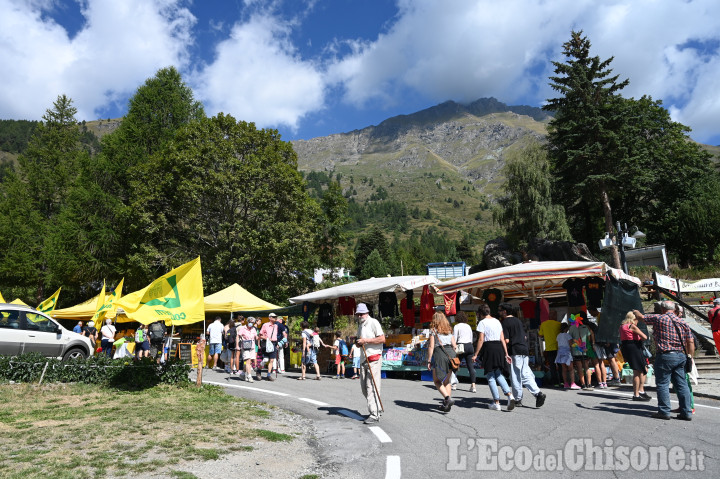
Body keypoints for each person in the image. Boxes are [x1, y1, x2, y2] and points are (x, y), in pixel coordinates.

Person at [633, 301, 694, 420]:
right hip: (680, 356)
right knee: (682, 385)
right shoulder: (682, 322)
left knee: (663, 384)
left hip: (665, 355)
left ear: (662, 309)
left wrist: (635, 311)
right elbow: (690, 341)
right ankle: (686, 412)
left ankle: (664, 411)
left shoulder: (659, 318)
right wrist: (690, 357)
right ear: (674, 309)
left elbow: (641, 317)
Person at [498, 303, 546, 408]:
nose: (499, 312)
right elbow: (524, 337)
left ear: (505, 311)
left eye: (500, 310)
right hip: (524, 349)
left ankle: (518, 399)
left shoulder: (505, 323)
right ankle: (538, 393)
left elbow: (506, 340)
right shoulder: (518, 321)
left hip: (514, 350)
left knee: (515, 375)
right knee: (525, 373)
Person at [472, 304, 515, 411]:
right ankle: (509, 395)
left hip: (489, 348)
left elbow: (481, 339)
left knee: (490, 375)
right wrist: (506, 353)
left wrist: (476, 353)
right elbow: (502, 338)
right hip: (499, 348)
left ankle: (496, 402)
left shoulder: (482, 323)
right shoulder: (497, 321)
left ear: (481, 313)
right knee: (498, 373)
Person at [355, 303, 385, 424]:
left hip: (374, 357)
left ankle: (374, 413)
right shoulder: (360, 325)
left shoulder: (373, 322)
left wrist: (366, 341)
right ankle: (376, 408)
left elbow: (382, 339)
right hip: (364, 359)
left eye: (361, 314)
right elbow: (359, 340)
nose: (359, 316)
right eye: (358, 314)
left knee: (371, 386)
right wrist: (358, 343)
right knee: (364, 388)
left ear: (366, 313)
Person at [427, 311, 458, 412]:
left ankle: (447, 399)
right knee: (446, 381)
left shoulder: (433, 330)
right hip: (451, 355)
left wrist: (428, 360)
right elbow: (455, 345)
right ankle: (446, 405)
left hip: (440, 354)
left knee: (437, 381)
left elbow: (431, 346)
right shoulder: (449, 330)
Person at [619, 312, 651, 401]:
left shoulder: (622, 326)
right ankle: (636, 394)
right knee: (638, 371)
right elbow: (644, 337)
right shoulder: (631, 326)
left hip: (627, 347)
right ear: (633, 319)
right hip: (634, 347)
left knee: (643, 368)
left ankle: (641, 390)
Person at [453, 311, 477, 393]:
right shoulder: (468, 326)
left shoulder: (456, 326)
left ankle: (454, 384)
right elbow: (471, 338)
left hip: (461, 346)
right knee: (470, 366)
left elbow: (455, 338)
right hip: (469, 346)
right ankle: (473, 385)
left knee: (455, 364)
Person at [568, 312, 593, 390]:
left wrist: (571, 346)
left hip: (576, 349)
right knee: (586, 367)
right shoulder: (585, 327)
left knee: (579, 367)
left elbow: (570, 339)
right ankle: (589, 384)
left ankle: (583, 384)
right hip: (585, 348)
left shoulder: (571, 328)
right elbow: (589, 338)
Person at [538, 310, 562, 387]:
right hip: (559, 348)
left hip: (549, 348)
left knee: (552, 366)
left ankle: (555, 382)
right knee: (560, 365)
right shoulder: (559, 324)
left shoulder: (543, 324)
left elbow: (540, 335)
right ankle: (561, 381)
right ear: (554, 316)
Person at [556, 322, 579, 389]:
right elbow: (570, 344)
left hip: (560, 352)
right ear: (566, 328)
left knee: (564, 369)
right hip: (567, 352)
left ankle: (566, 383)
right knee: (571, 369)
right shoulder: (568, 335)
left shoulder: (558, 335)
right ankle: (572, 383)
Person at [259, 313, 279, 381]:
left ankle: (268, 375)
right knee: (265, 360)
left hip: (273, 344)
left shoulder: (276, 326)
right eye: (273, 317)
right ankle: (259, 370)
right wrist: (267, 338)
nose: (275, 318)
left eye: (276, 317)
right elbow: (260, 335)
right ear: (269, 318)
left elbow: (276, 336)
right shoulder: (265, 325)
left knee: (272, 360)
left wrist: (277, 343)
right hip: (267, 343)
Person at [239, 317, 258, 382]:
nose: (251, 324)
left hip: (252, 347)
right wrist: (237, 345)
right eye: (250, 322)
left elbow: (256, 337)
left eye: (253, 322)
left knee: (250, 362)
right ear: (247, 322)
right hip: (245, 346)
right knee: (248, 361)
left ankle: (243, 373)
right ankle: (249, 376)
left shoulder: (253, 329)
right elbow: (238, 336)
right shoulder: (242, 328)